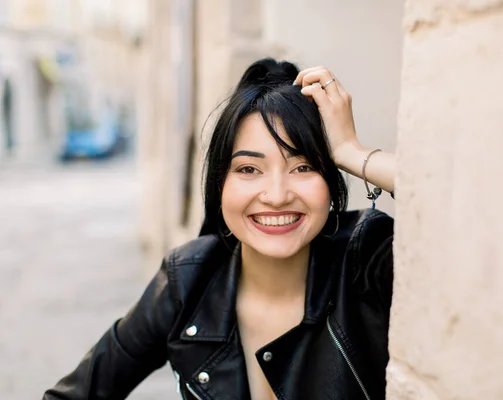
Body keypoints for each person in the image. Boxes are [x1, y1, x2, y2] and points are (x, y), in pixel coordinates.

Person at [43, 58, 396, 400]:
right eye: (248, 169)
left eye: (302, 167)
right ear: (219, 184)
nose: (276, 196)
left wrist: (352, 151)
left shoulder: (367, 257)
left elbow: (446, 213)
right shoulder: (189, 279)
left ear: (330, 180)